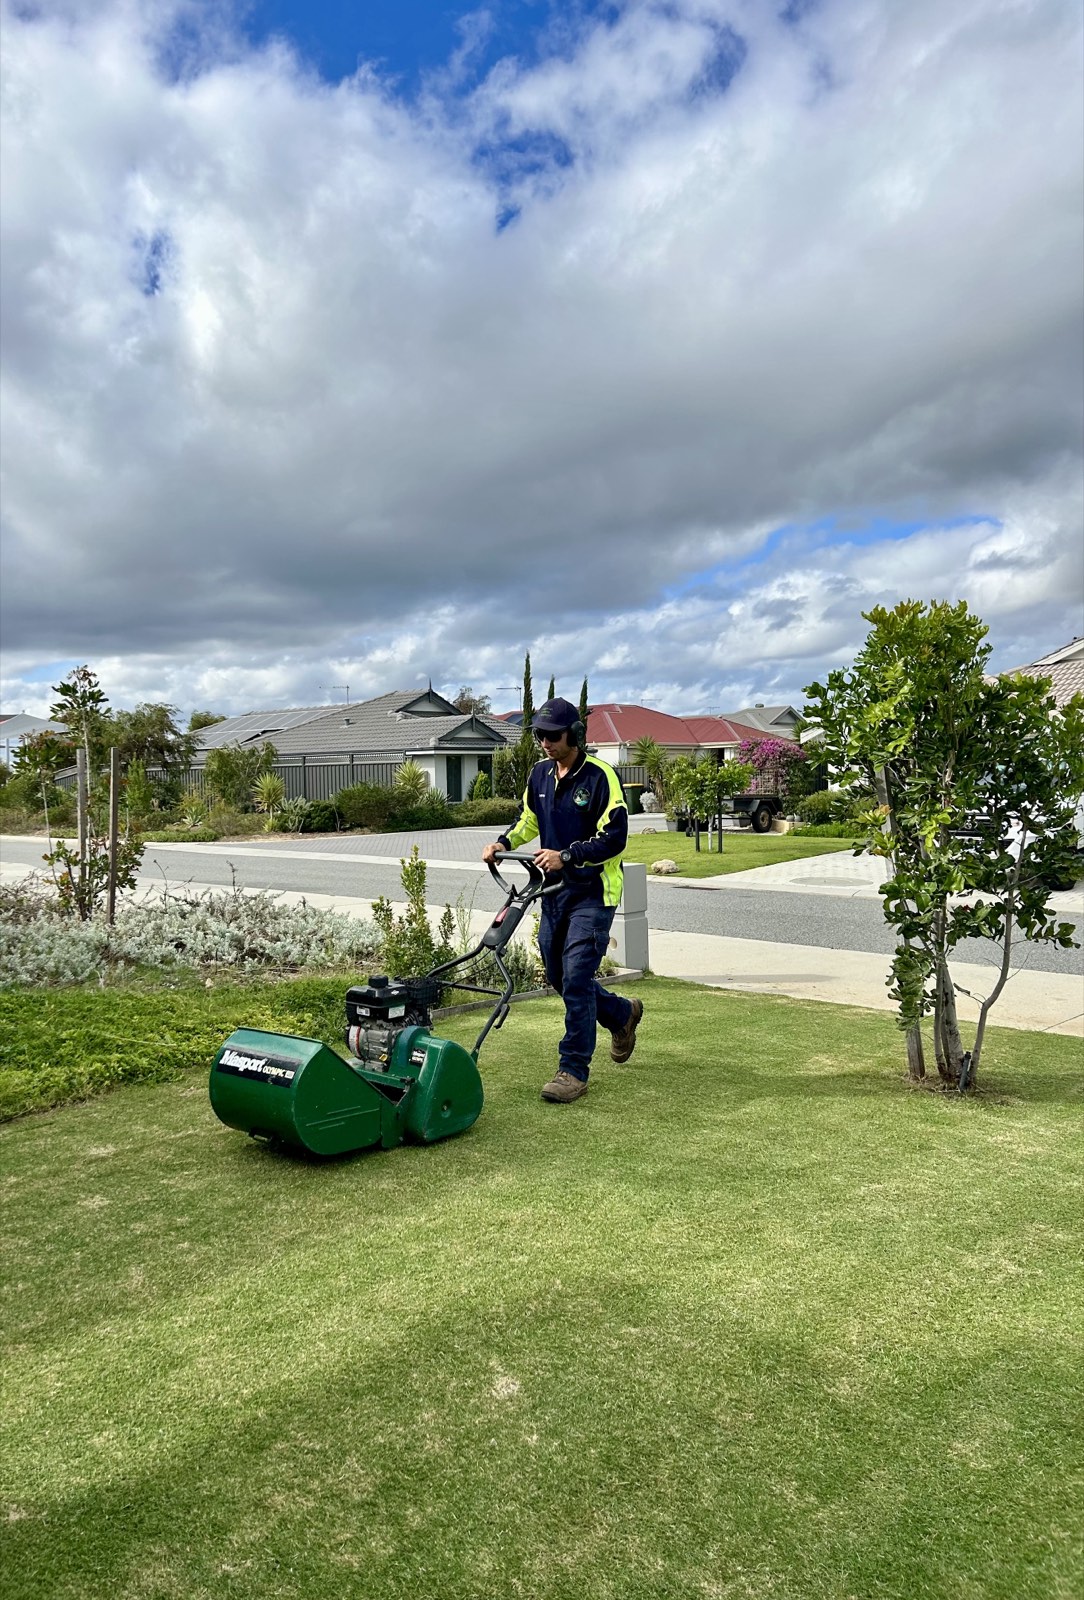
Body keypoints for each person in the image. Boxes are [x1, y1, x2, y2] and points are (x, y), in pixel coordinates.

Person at [482, 696, 643, 1102]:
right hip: (552, 892)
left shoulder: (600, 777)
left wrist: (567, 855)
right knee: (558, 975)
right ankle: (622, 1014)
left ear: (575, 734)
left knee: (575, 977)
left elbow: (615, 838)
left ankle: (573, 1070)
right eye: (539, 735)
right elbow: (528, 820)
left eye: (553, 736)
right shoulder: (539, 775)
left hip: (592, 893)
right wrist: (502, 842)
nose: (544, 742)